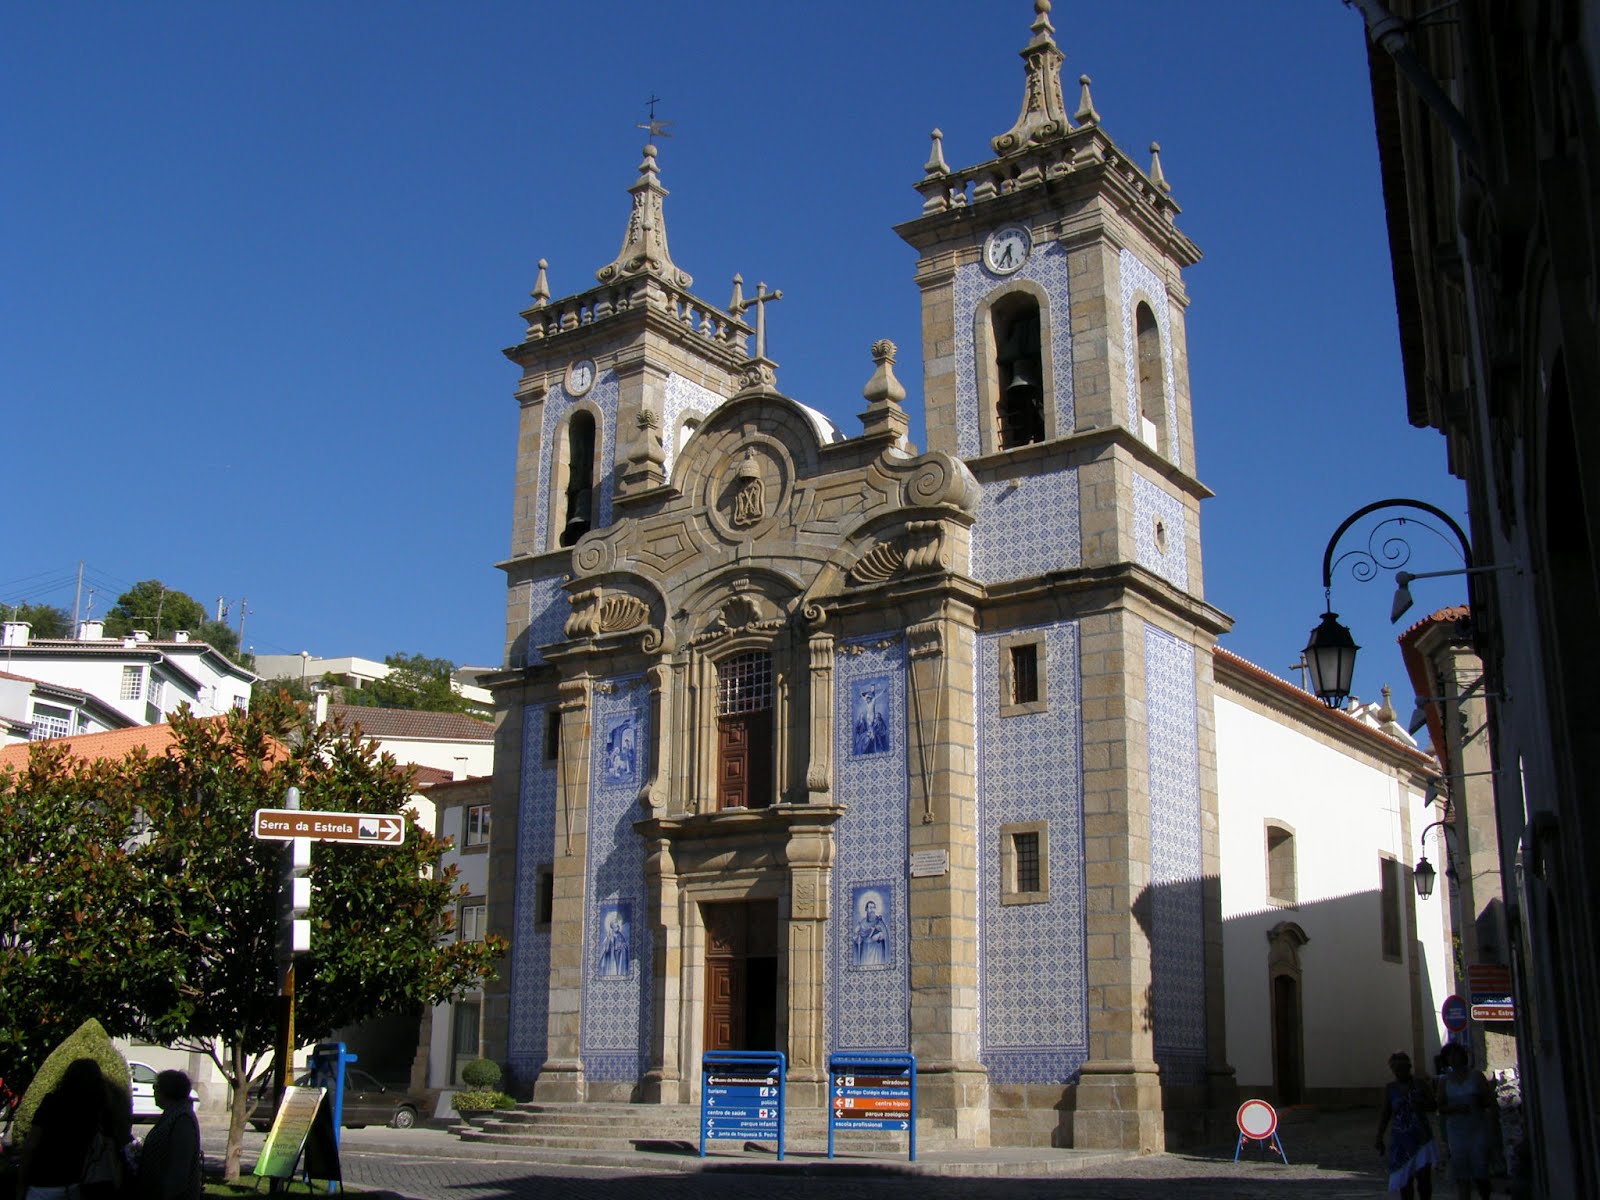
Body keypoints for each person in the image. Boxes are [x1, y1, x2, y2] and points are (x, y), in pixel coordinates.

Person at [15, 1058, 123, 1200]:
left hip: (43, 1180)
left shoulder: (52, 1102)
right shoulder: (98, 1109)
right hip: (75, 1181)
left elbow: (31, 1144)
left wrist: (21, 1182)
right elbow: (112, 1148)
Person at [1436, 1042, 1495, 1200]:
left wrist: (1478, 1101)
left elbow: (1488, 1100)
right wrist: (1455, 1109)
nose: (1454, 1058)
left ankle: (1485, 1196)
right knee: (1461, 1173)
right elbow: (1440, 1106)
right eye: (1450, 1055)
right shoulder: (1444, 1080)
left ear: (1464, 1056)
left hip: (1477, 1127)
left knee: (1481, 1170)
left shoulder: (1476, 1076)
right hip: (1456, 1131)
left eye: (1457, 1054)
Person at [1377, 1050, 1438, 1199]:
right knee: (1405, 1180)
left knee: (1424, 1180)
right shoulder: (1391, 1088)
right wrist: (1379, 1136)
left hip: (1421, 1137)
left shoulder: (1420, 1084)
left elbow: (1433, 1105)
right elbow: (1386, 1113)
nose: (1399, 1072)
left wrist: (1421, 1104)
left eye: (1402, 1068)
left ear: (1409, 1067)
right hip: (1401, 1139)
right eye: (1396, 1069)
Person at [135, 1071, 200, 1200]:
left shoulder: (182, 1119)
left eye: (156, 1087)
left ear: (168, 1090)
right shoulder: (171, 1114)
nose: (153, 1091)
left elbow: (180, 1166)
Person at [852, 898, 889, 967]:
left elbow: (885, 934)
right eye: (870, 908)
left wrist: (879, 935)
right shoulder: (862, 922)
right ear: (866, 909)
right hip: (865, 951)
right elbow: (856, 934)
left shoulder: (879, 921)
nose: (872, 910)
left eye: (873, 908)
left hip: (877, 951)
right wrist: (859, 936)